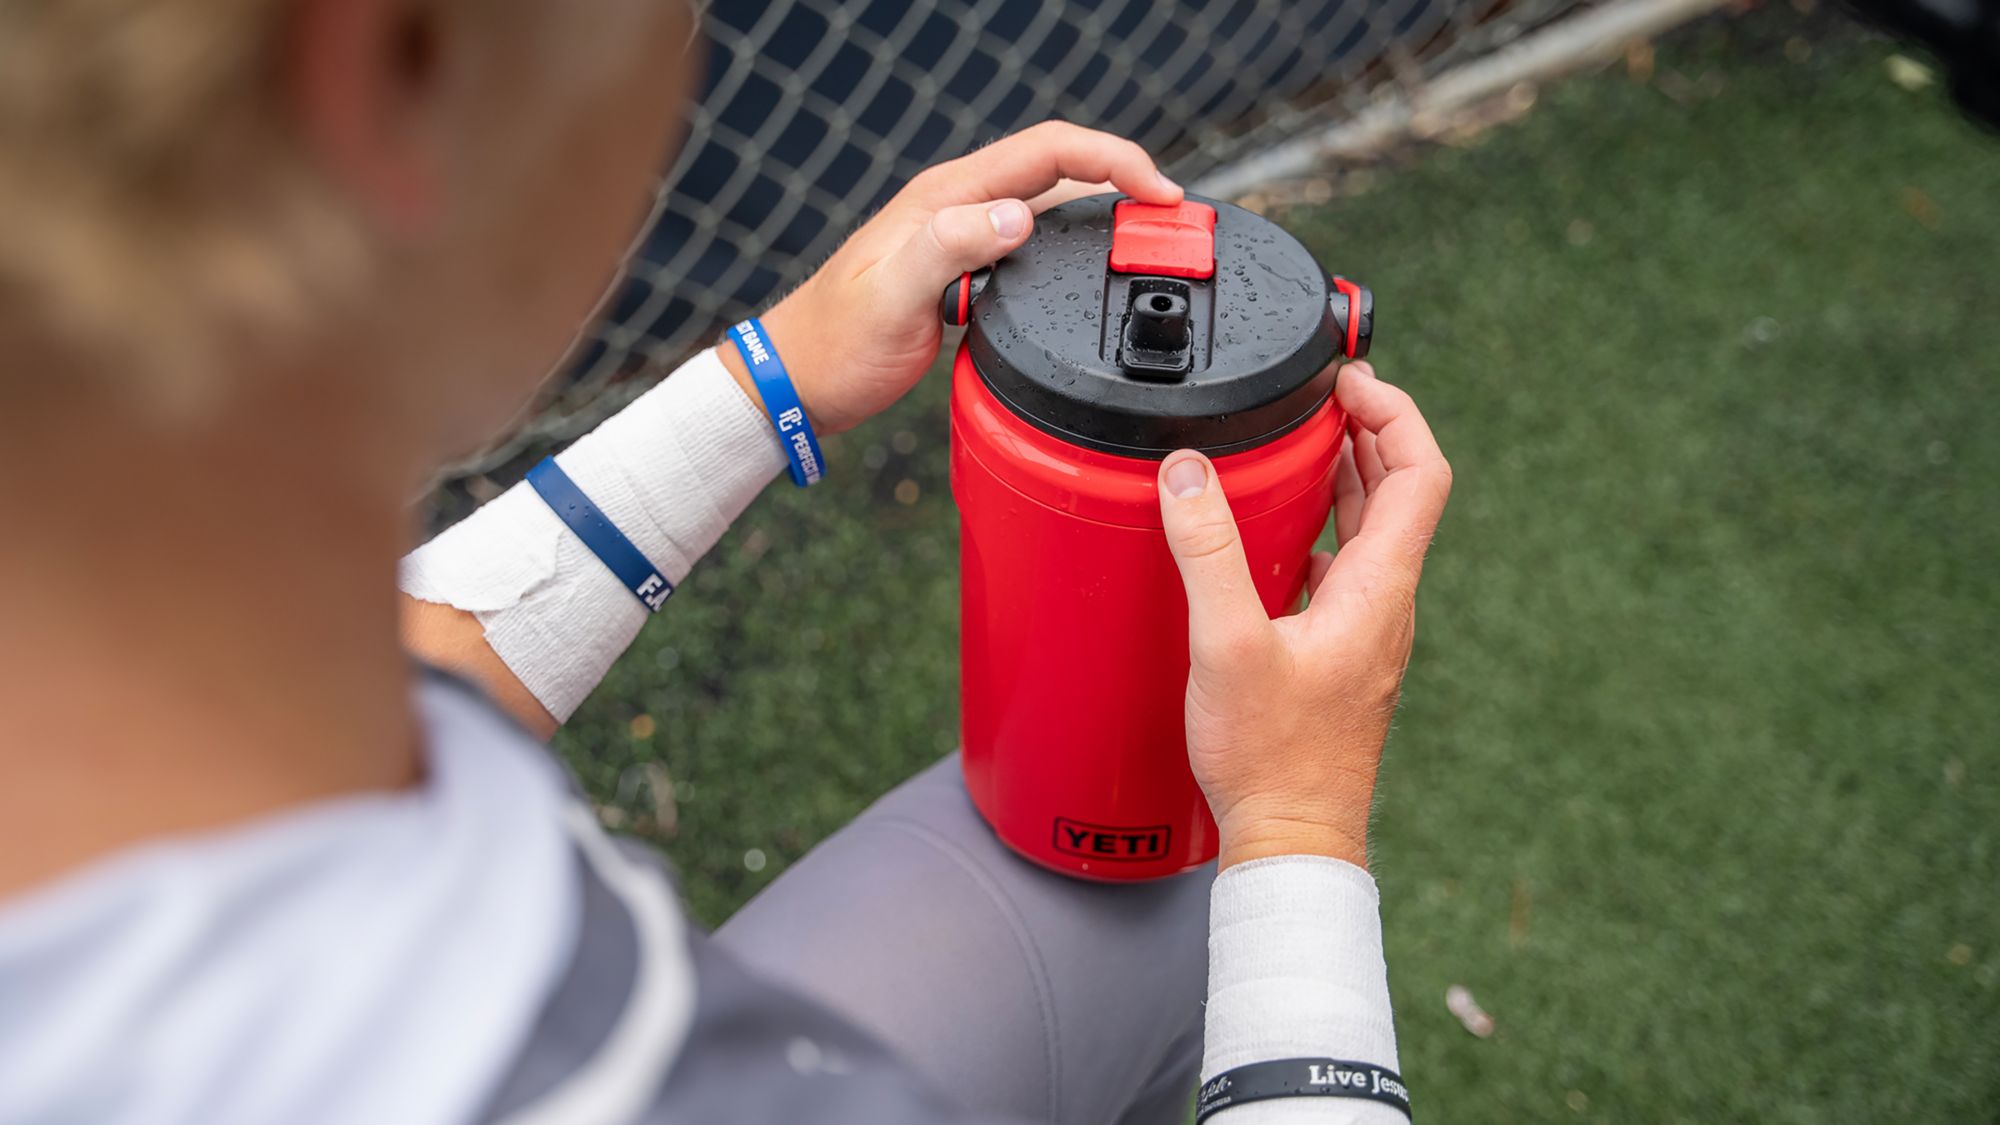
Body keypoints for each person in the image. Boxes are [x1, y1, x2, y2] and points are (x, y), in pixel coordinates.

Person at [0, 0, 1452, 1122]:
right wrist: (1296, 829)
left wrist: (772, 377)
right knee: (1215, 910)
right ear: (398, 66)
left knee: (1133, 915)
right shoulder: (677, 1078)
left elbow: (405, 673)